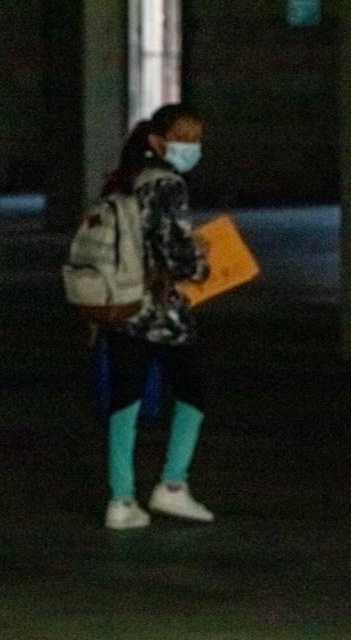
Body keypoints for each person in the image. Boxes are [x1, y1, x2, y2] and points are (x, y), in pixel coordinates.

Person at [99, 103, 213, 530]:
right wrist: (202, 266)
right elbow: (174, 251)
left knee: (124, 400)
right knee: (192, 394)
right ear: (157, 140)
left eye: (196, 137)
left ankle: (121, 498)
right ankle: (172, 486)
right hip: (161, 313)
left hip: (120, 305)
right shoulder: (167, 185)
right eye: (184, 137)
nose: (192, 146)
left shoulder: (124, 182)